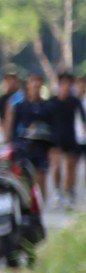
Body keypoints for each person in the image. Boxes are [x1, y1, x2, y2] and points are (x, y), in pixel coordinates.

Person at [7, 74, 59, 202]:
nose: (35, 88)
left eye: (38, 85)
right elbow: (13, 127)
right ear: (28, 86)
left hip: (42, 147)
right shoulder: (21, 106)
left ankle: (40, 205)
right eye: (33, 85)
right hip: (25, 148)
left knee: (41, 176)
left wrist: (53, 148)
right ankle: (28, 204)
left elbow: (54, 127)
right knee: (26, 177)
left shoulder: (48, 107)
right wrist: (12, 144)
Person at [55, 73, 83, 208]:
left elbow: (82, 120)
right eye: (64, 84)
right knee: (57, 166)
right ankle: (57, 192)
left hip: (72, 138)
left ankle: (69, 193)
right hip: (56, 140)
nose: (66, 87)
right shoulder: (52, 102)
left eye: (69, 85)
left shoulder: (75, 102)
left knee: (70, 168)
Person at [0, 71, 22, 137]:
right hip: (5, 128)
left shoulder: (21, 98)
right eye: (8, 81)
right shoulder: (0, 100)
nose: (11, 84)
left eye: (13, 82)